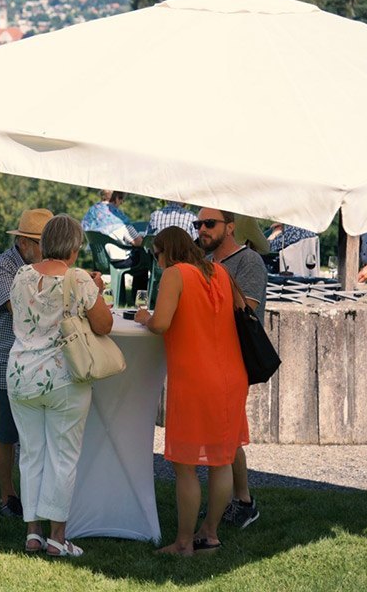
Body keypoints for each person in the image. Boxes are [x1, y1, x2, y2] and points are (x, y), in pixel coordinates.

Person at [135, 227, 249, 556]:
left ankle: (184, 543)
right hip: (231, 376)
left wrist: (145, 317)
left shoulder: (175, 274)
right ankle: (210, 535)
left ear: (167, 251)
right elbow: (239, 310)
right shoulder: (221, 272)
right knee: (220, 461)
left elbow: (161, 324)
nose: (155, 261)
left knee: (186, 465)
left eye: (156, 254)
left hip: (195, 379)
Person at [7, 214, 111, 558]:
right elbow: (104, 324)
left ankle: (32, 534)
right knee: (63, 457)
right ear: (76, 246)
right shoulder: (79, 279)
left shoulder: (21, 275)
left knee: (31, 453)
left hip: (21, 374)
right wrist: (96, 290)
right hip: (64, 376)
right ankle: (57, 538)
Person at [195, 206, 266, 529]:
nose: (202, 230)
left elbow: (245, 311)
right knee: (223, 432)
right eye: (198, 224)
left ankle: (244, 502)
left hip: (234, 358)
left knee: (227, 433)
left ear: (231, 227)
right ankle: (228, 501)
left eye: (209, 224)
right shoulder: (207, 263)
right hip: (211, 358)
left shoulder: (248, 261)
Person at [0, 208, 51, 519]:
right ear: (24, 243)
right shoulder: (3, 267)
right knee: (7, 433)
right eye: (42, 243)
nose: (47, 250)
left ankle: (35, 493)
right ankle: (7, 494)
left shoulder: (43, 268)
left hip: (35, 361)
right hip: (5, 361)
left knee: (36, 433)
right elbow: (18, 308)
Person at [82, 189, 148, 291]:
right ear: (116, 198)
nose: (121, 202)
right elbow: (138, 242)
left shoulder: (92, 212)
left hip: (99, 260)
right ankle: (139, 297)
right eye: (121, 199)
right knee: (144, 259)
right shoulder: (118, 217)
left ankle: (121, 296)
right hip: (118, 261)